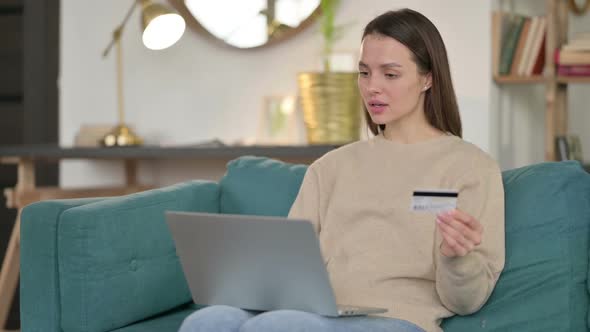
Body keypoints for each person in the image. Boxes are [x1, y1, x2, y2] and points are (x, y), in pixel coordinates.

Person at [178, 8, 505, 332]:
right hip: (320, 313)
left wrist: (455, 257)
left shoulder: (470, 168)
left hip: (399, 320)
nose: (372, 87)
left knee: (277, 326)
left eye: (390, 74)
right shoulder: (330, 168)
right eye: (364, 73)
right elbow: (289, 266)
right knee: (210, 319)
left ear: (427, 78)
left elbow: (468, 301)